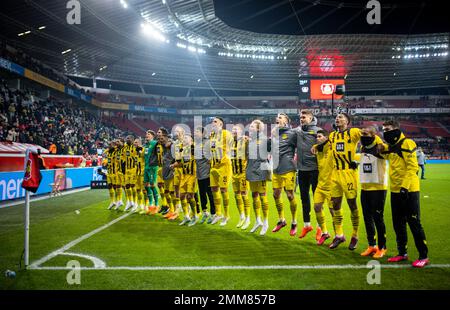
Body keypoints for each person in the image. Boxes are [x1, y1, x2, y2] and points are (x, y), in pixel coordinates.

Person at [380, 120, 429, 268]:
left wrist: (405, 187)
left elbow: (413, 168)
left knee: (414, 223)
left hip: (409, 190)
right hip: (395, 191)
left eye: (387, 129)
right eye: (383, 130)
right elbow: (384, 156)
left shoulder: (408, 143)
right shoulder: (391, 146)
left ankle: (423, 256)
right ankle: (402, 253)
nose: (385, 132)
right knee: (398, 224)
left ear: (395, 129)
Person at [359, 126, 388, 259]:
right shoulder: (363, 147)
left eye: (366, 134)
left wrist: (381, 143)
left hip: (378, 188)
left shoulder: (380, 147)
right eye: (362, 134)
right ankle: (372, 245)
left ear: (373, 135)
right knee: (367, 218)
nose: (363, 136)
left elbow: (388, 151)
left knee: (378, 218)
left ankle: (382, 247)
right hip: (365, 188)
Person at [295, 109, 322, 239]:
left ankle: (320, 228)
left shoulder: (318, 131)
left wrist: (318, 146)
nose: (301, 119)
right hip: (302, 170)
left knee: (317, 200)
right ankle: (307, 225)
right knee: (304, 199)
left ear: (311, 118)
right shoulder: (298, 131)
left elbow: (325, 144)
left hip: (315, 169)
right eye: (300, 117)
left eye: (304, 117)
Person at [271, 113, 298, 236]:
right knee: (276, 194)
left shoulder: (292, 133)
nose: (278, 118)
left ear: (287, 121)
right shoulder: (275, 134)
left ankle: (294, 222)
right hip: (276, 168)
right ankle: (281, 220)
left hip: (288, 168)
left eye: (281, 117)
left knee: (290, 195)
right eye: (277, 117)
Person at [246, 120, 271, 235]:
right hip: (251, 170)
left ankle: (266, 222)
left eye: (252, 126)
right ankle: (258, 220)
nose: (250, 128)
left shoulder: (265, 139)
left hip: (260, 170)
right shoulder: (250, 140)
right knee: (254, 195)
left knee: (262, 196)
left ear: (258, 129)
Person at [208, 117, 234, 225]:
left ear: (221, 124)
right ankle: (218, 214)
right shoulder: (212, 135)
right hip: (214, 166)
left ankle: (226, 215)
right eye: (212, 122)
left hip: (224, 166)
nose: (212, 123)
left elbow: (232, 145)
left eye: (215, 122)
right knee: (214, 189)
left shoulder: (226, 133)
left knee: (223, 190)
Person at [311, 130, 335, 245]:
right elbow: (317, 145)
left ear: (326, 137)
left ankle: (338, 235)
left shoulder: (331, 147)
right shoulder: (318, 150)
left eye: (320, 136)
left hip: (331, 186)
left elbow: (332, 138)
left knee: (333, 212)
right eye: (316, 136)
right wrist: (316, 145)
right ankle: (325, 232)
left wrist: (317, 145)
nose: (317, 138)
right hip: (320, 185)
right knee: (316, 207)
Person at [194, 127, 215, 224]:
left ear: (203, 133)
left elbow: (211, 157)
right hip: (199, 173)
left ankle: (213, 213)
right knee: (202, 194)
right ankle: (205, 212)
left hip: (206, 173)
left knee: (210, 194)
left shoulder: (207, 143)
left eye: (197, 132)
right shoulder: (196, 144)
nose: (195, 133)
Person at [230, 124, 250, 228]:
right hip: (234, 173)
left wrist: (248, 139)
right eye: (233, 129)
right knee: (236, 195)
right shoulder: (231, 142)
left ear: (241, 132)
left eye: (236, 129)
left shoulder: (245, 141)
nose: (234, 130)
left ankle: (247, 218)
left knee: (244, 194)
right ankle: (241, 216)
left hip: (243, 172)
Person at [177, 135, 199, 226]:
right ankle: (186, 216)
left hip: (192, 176)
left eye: (186, 138)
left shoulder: (194, 148)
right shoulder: (182, 150)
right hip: (184, 176)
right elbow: (181, 162)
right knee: (182, 196)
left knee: (190, 197)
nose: (184, 139)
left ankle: (195, 215)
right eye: (184, 138)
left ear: (191, 140)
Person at [144, 130, 159, 214]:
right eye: (146, 134)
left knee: (152, 184)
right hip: (146, 167)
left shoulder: (154, 143)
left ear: (153, 136)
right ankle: (151, 204)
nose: (146, 135)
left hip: (152, 167)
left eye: (148, 134)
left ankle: (156, 205)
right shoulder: (146, 145)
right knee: (146, 185)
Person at [123, 135, 138, 212]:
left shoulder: (135, 147)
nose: (127, 139)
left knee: (133, 186)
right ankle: (130, 201)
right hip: (127, 169)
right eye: (126, 138)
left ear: (132, 140)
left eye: (128, 138)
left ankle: (135, 203)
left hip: (133, 169)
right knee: (127, 186)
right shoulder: (125, 148)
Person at [105, 140, 118, 210]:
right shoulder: (108, 153)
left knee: (116, 187)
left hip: (115, 172)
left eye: (111, 145)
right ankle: (112, 201)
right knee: (109, 186)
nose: (109, 146)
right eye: (109, 145)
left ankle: (118, 201)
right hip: (109, 172)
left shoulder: (116, 152)